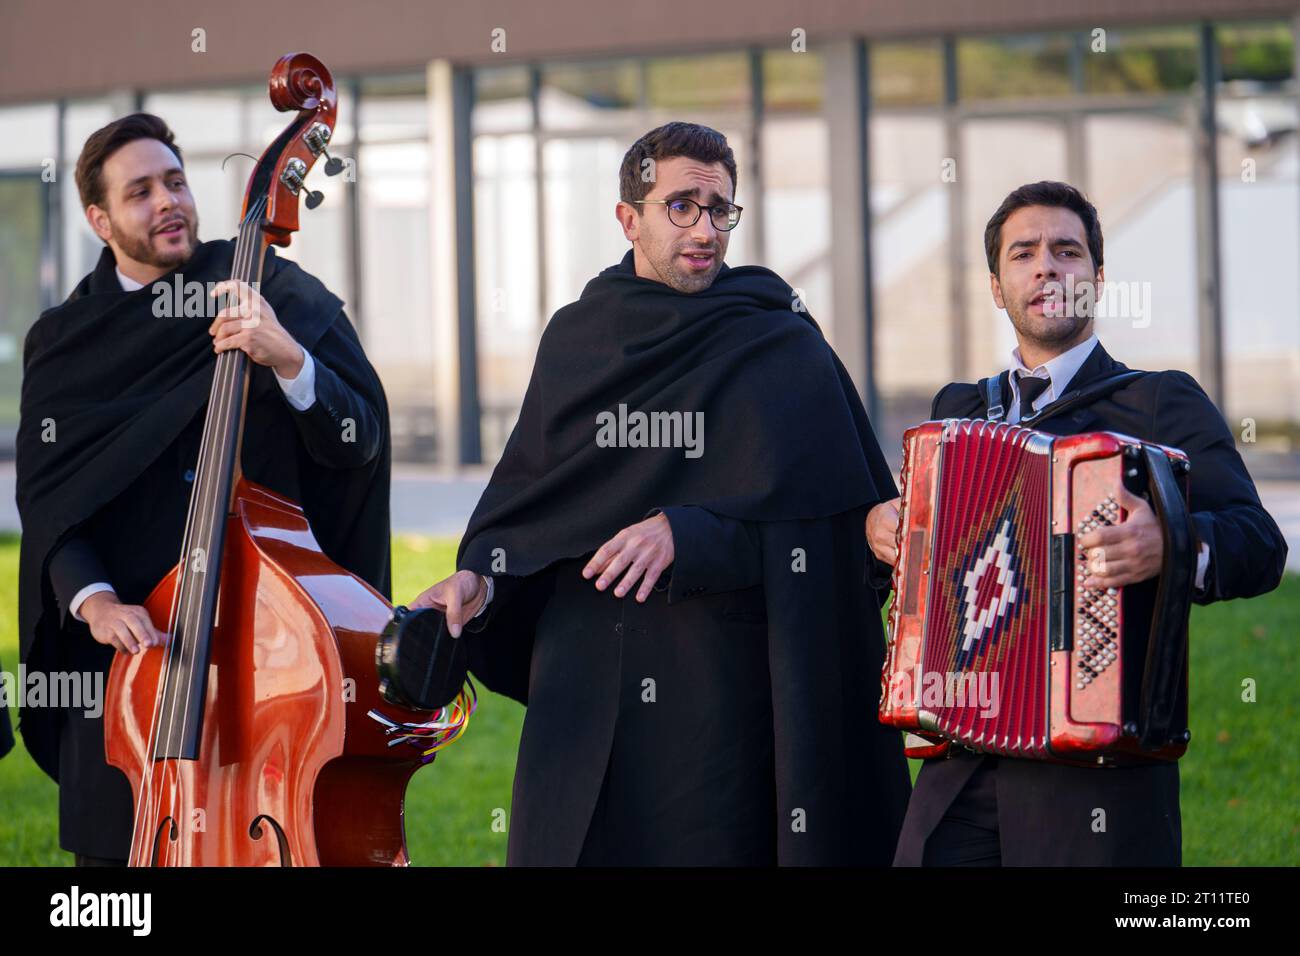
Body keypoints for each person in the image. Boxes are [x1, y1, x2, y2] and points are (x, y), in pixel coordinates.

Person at [411, 121, 912, 866]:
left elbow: (842, 537)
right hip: (583, 704)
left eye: (720, 210)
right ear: (629, 217)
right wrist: (481, 581)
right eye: (682, 205)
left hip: (725, 708)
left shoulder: (781, 344)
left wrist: (695, 534)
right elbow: (529, 505)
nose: (705, 229)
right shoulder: (579, 339)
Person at [866, 180, 1288, 866]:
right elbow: (922, 560)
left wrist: (1172, 540)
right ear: (998, 288)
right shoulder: (959, 410)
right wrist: (883, 530)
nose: (1047, 267)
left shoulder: (1157, 402)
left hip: (1095, 774)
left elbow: (1260, 544)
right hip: (961, 758)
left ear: (1096, 280)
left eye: (1067, 251)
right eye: (1024, 253)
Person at [15, 113, 392, 866]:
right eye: (141, 191)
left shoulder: (268, 287)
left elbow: (359, 440)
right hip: (129, 668)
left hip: (264, 652)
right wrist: (92, 602)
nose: (168, 202)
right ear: (100, 218)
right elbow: (50, 500)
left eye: (177, 182)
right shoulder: (65, 341)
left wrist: (289, 360)